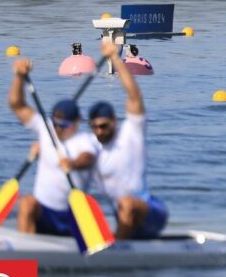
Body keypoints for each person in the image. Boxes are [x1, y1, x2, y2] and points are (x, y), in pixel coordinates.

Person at [87, 43, 168, 240]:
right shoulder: (90, 145)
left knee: (126, 203)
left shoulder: (131, 133)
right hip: (122, 214)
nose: (99, 131)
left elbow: (134, 95)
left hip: (150, 211)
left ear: (114, 122)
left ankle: (115, 250)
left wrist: (115, 58)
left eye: (104, 126)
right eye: (95, 127)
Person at [9, 59, 96, 236]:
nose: (58, 129)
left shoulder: (86, 140)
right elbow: (17, 105)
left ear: (77, 122)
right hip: (45, 214)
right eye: (56, 124)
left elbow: (88, 158)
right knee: (26, 202)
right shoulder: (46, 128)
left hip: (72, 216)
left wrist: (72, 163)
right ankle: (24, 248)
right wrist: (19, 76)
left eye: (64, 125)